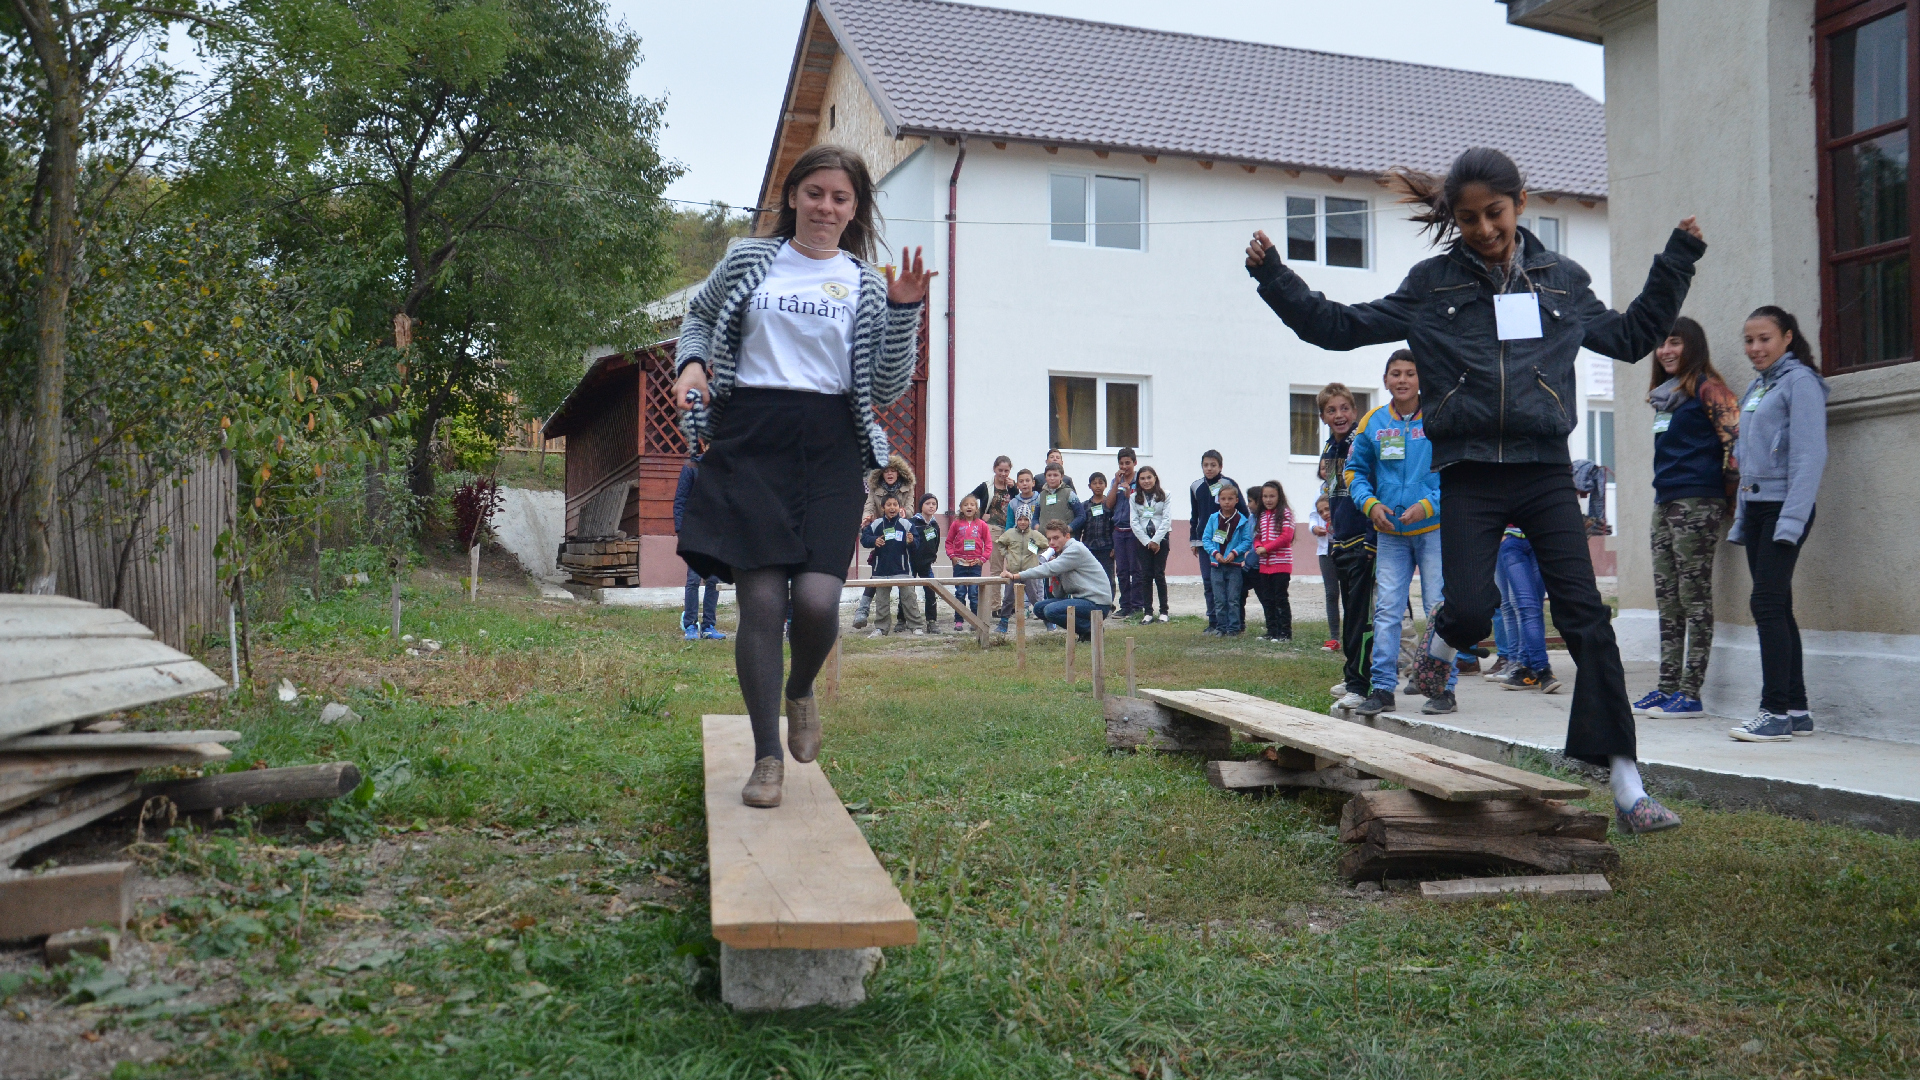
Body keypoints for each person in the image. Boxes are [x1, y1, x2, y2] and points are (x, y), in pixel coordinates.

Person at [1247, 145, 1704, 834]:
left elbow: (1634, 335)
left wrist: (1676, 260)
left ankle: (1626, 783)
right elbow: (1337, 327)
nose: (1485, 229)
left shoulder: (1560, 281)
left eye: (1495, 213)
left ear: (1519, 203)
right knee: (1467, 605)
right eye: (1468, 219)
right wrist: (1275, 276)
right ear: (1454, 221)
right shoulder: (1432, 286)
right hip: (1467, 472)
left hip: (1544, 470)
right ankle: (1441, 649)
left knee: (1584, 617)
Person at [671, 144, 932, 808]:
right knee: (760, 603)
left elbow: (885, 386)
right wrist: (691, 365)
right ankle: (766, 758)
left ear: (855, 209)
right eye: (815, 193)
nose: (825, 207)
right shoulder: (749, 259)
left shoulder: (867, 283)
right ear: (793, 197)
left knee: (816, 601)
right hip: (751, 438)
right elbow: (698, 316)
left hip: (831, 446)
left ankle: (800, 687)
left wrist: (904, 310)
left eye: (840, 197)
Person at [1630, 316, 1740, 719]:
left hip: (1698, 502)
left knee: (1694, 598)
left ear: (1692, 345)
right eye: (1661, 344)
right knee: (1668, 599)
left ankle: (1691, 693)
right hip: (1665, 501)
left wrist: (1728, 501)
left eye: (1674, 342)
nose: (1665, 351)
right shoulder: (1667, 398)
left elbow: (1735, 445)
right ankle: (1667, 687)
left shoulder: (1710, 390)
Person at [1726, 306, 1827, 743]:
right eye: (1749, 341)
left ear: (1787, 337)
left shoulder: (1800, 382)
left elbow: (1809, 456)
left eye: (1764, 338)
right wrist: (1742, 515)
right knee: (1778, 606)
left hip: (1784, 508)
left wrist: (1791, 520)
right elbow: (1748, 457)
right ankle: (1797, 710)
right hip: (1757, 509)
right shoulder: (1759, 385)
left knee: (1765, 604)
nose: (1755, 348)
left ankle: (1774, 712)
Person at [1347, 350, 1456, 716]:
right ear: (1385, 380)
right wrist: (1370, 505)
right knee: (1387, 610)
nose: (1403, 380)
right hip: (1391, 533)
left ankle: (1443, 689)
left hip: (1434, 531)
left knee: (1438, 609)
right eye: (1396, 373)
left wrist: (1427, 506)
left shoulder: (1440, 418)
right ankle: (1382, 688)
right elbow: (1354, 472)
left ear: (1420, 379)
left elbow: (1455, 472)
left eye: (1410, 373)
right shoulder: (1372, 422)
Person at [1315, 385, 1375, 708]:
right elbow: (1333, 493)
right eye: (1331, 410)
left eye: (1344, 409)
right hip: (1341, 541)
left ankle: (1360, 684)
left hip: (1363, 541)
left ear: (1354, 411)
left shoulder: (1360, 444)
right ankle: (1352, 674)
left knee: (1361, 617)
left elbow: (1371, 488)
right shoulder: (1329, 448)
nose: (1339, 415)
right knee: (1349, 613)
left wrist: (1371, 538)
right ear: (1323, 417)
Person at [1004, 519, 1113, 639]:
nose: (1052, 543)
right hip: (1083, 601)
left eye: (1056, 538)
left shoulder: (1075, 549)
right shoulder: (1062, 553)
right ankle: (1085, 631)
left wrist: (1017, 575)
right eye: (1049, 539)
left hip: (1097, 604)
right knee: (1039, 608)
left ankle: (1092, 630)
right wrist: (1055, 574)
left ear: (1067, 536)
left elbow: (1047, 569)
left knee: (1051, 610)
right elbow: (1059, 594)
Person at [852, 454, 916, 630]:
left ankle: (903, 619)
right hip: (881, 532)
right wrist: (867, 518)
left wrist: (903, 513)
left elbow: (910, 509)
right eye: (886, 471)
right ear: (881, 473)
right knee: (877, 574)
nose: (889, 474)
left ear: (899, 473)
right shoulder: (875, 488)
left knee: (904, 577)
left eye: (893, 471)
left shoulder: (907, 487)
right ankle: (862, 611)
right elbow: (869, 506)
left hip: (901, 533)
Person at [1495, 526, 1561, 693]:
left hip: (1540, 538)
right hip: (1513, 541)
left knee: (1534, 608)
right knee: (1528, 607)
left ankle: (1528, 669)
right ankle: (1542, 670)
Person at [674, 446, 726, 642]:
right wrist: (681, 530)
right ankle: (690, 625)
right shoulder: (692, 466)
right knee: (694, 579)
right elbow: (680, 500)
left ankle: (708, 626)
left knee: (714, 580)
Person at [1188, 451, 1240, 633]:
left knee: (1229, 584)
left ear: (1220, 466)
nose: (1209, 469)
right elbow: (1195, 515)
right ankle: (1213, 621)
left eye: (1213, 465)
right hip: (1206, 543)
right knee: (1209, 581)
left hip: (1229, 542)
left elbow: (1242, 512)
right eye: (1206, 465)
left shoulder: (1228, 484)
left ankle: (1233, 623)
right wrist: (1194, 540)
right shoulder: (1196, 486)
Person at [860, 495, 925, 637]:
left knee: (909, 599)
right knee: (881, 602)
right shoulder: (877, 524)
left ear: (899, 507)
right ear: (883, 507)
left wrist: (911, 541)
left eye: (895, 504)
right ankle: (881, 628)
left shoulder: (906, 524)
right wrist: (874, 540)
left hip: (902, 569)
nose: (892, 508)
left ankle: (916, 626)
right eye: (888, 505)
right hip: (881, 570)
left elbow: (917, 544)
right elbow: (864, 539)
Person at [1199, 483, 1253, 637]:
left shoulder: (1242, 520)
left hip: (1234, 565)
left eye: (1230, 499)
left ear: (1236, 500)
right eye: (1223, 499)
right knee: (1219, 599)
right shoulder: (1213, 518)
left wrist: (1235, 553)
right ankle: (1221, 627)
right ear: (1218, 500)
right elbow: (1206, 539)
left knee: (1233, 598)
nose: (1227, 502)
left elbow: (1247, 541)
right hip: (1216, 565)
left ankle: (1233, 628)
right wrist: (1215, 553)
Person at [968, 455, 1015, 628]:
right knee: (996, 567)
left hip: (1012, 530)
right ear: (994, 469)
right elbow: (968, 500)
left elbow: (1019, 502)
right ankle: (996, 606)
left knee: (1014, 566)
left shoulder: (1013, 487)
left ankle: (1012, 604)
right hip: (993, 528)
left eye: (1006, 470)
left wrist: (1014, 488)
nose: (1003, 473)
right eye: (1000, 470)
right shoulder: (986, 486)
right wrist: (980, 515)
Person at [1251, 480, 1295, 641]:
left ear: (1279, 496)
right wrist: (1258, 546)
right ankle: (1272, 631)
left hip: (1281, 564)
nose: (1268, 500)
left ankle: (1285, 633)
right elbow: (1257, 536)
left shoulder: (1286, 514)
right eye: (1265, 496)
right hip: (1265, 565)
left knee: (1280, 598)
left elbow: (1286, 537)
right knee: (1268, 599)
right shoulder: (1261, 515)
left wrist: (1266, 548)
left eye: (1272, 496)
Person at [1131, 465, 1173, 623]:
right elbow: (1134, 522)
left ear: (1155, 478)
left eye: (1149, 477)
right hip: (1143, 541)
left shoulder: (1165, 495)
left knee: (1159, 575)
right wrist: (1148, 542)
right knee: (1146, 575)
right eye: (1142, 478)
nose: (1146, 481)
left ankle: (1164, 611)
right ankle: (1147, 612)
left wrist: (1156, 540)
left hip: (1161, 539)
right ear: (1138, 481)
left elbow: (1166, 519)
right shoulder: (1134, 498)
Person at [993, 506, 1045, 632]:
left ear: (1030, 520)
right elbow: (1000, 543)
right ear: (1016, 520)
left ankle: (1047, 620)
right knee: (1008, 598)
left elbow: (1045, 545)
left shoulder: (1035, 535)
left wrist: (1035, 552)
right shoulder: (1010, 533)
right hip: (1012, 571)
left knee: (1034, 597)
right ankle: (1003, 622)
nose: (1023, 522)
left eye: (1026, 519)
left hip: (1029, 572)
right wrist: (1007, 554)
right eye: (1020, 519)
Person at [1107, 448, 1143, 618]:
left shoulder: (1140, 480)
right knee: (1121, 570)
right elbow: (1108, 504)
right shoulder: (1117, 481)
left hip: (1134, 531)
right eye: (1121, 463)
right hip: (1118, 531)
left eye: (1127, 463)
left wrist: (1129, 493)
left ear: (1134, 463)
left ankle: (1137, 606)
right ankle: (1125, 605)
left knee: (1136, 569)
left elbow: (1141, 505)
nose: (1124, 466)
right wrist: (1116, 484)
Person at [946, 494, 991, 630]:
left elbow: (988, 544)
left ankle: (974, 620)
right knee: (960, 593)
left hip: (975, 564)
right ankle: (958, 621)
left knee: (973, 593)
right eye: (966, 505)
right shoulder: (956, 524)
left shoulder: (982, 525)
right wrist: (952, 557)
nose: (969, 507)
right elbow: (948, 542)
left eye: (972, 504)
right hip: (960, 564)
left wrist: (982, 559)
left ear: (976, 508)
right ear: (961, 508)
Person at [1073, 471, 1116, 596]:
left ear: (1105, 485)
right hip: (1088, 546)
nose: (1098, 486)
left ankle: (1108, 602)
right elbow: (1079, 527)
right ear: (1089, 486)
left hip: (1106, 547)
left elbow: (1114, 526)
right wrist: (1077, 545)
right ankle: (1092, 600)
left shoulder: (1110, 504)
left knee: (1108, 576)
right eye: (1094, 483)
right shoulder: (1084, 506)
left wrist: (1115, 547)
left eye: (1101, 483)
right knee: (1089, 576)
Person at [1307, 496, 1340, 651]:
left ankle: (1353, 635)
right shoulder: (1318, 493)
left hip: (1345, 550)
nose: (1325, 513)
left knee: (1350, 594)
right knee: (1331, 594)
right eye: (1321, 512)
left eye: (1327, 509)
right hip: (1326, 552)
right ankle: (1335, 637)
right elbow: (1312, 517)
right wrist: (1314, 528)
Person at [909, 493, 943, 631]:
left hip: (926, 564)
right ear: (921, 506)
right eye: (927, 503)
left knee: (930, 591)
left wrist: (932, 556)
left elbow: (936, 543)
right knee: (907, 591)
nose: (931, 506)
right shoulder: (912, 523)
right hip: (911, 562)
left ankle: (931, 621)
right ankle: (902, 619)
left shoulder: (935, 525)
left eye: (934, 504)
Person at [1034, 463, 1081, 534]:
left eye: (1055, 475)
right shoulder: (1041, 496)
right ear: (1045, 477)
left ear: (1061, 477)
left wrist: (1069, 528)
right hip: (1045, 538)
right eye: (1049, 475)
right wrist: (1038, 528)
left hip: (1064, 538)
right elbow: (1035, 518)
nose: (1052, 478)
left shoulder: (1069, 494)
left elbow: (1081, 516)